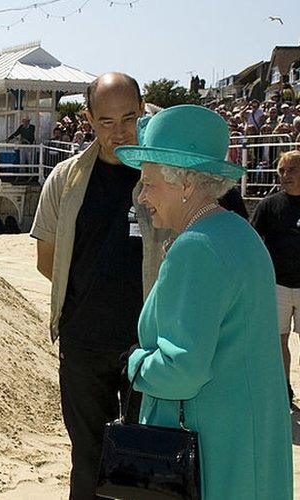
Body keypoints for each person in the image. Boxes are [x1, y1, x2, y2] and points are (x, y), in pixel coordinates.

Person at [117, 104, 292, 499]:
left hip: (211, 449)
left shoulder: (196, 247)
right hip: (248, 439)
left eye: (149, 183)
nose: (142, 197)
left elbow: (182, 370)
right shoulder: (238, 232)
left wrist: (133, 363)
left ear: (186, 185)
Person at [31, 72, 171, 500]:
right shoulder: (65, 179)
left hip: (147, 345)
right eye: (106, 121)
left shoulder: (164, 177)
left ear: (143, 112)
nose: (119, 132)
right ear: (88, 118)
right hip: (83, 345)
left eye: (129, 118)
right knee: (88, 457)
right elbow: (46, 261)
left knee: (143, 458)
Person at [251, 150, 300, 401]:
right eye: (281, 170)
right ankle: (284, 389)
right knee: (279, 340)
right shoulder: (269, 205)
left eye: (291, 169)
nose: (285, 175)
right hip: (277, 284)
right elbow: (252, 240)